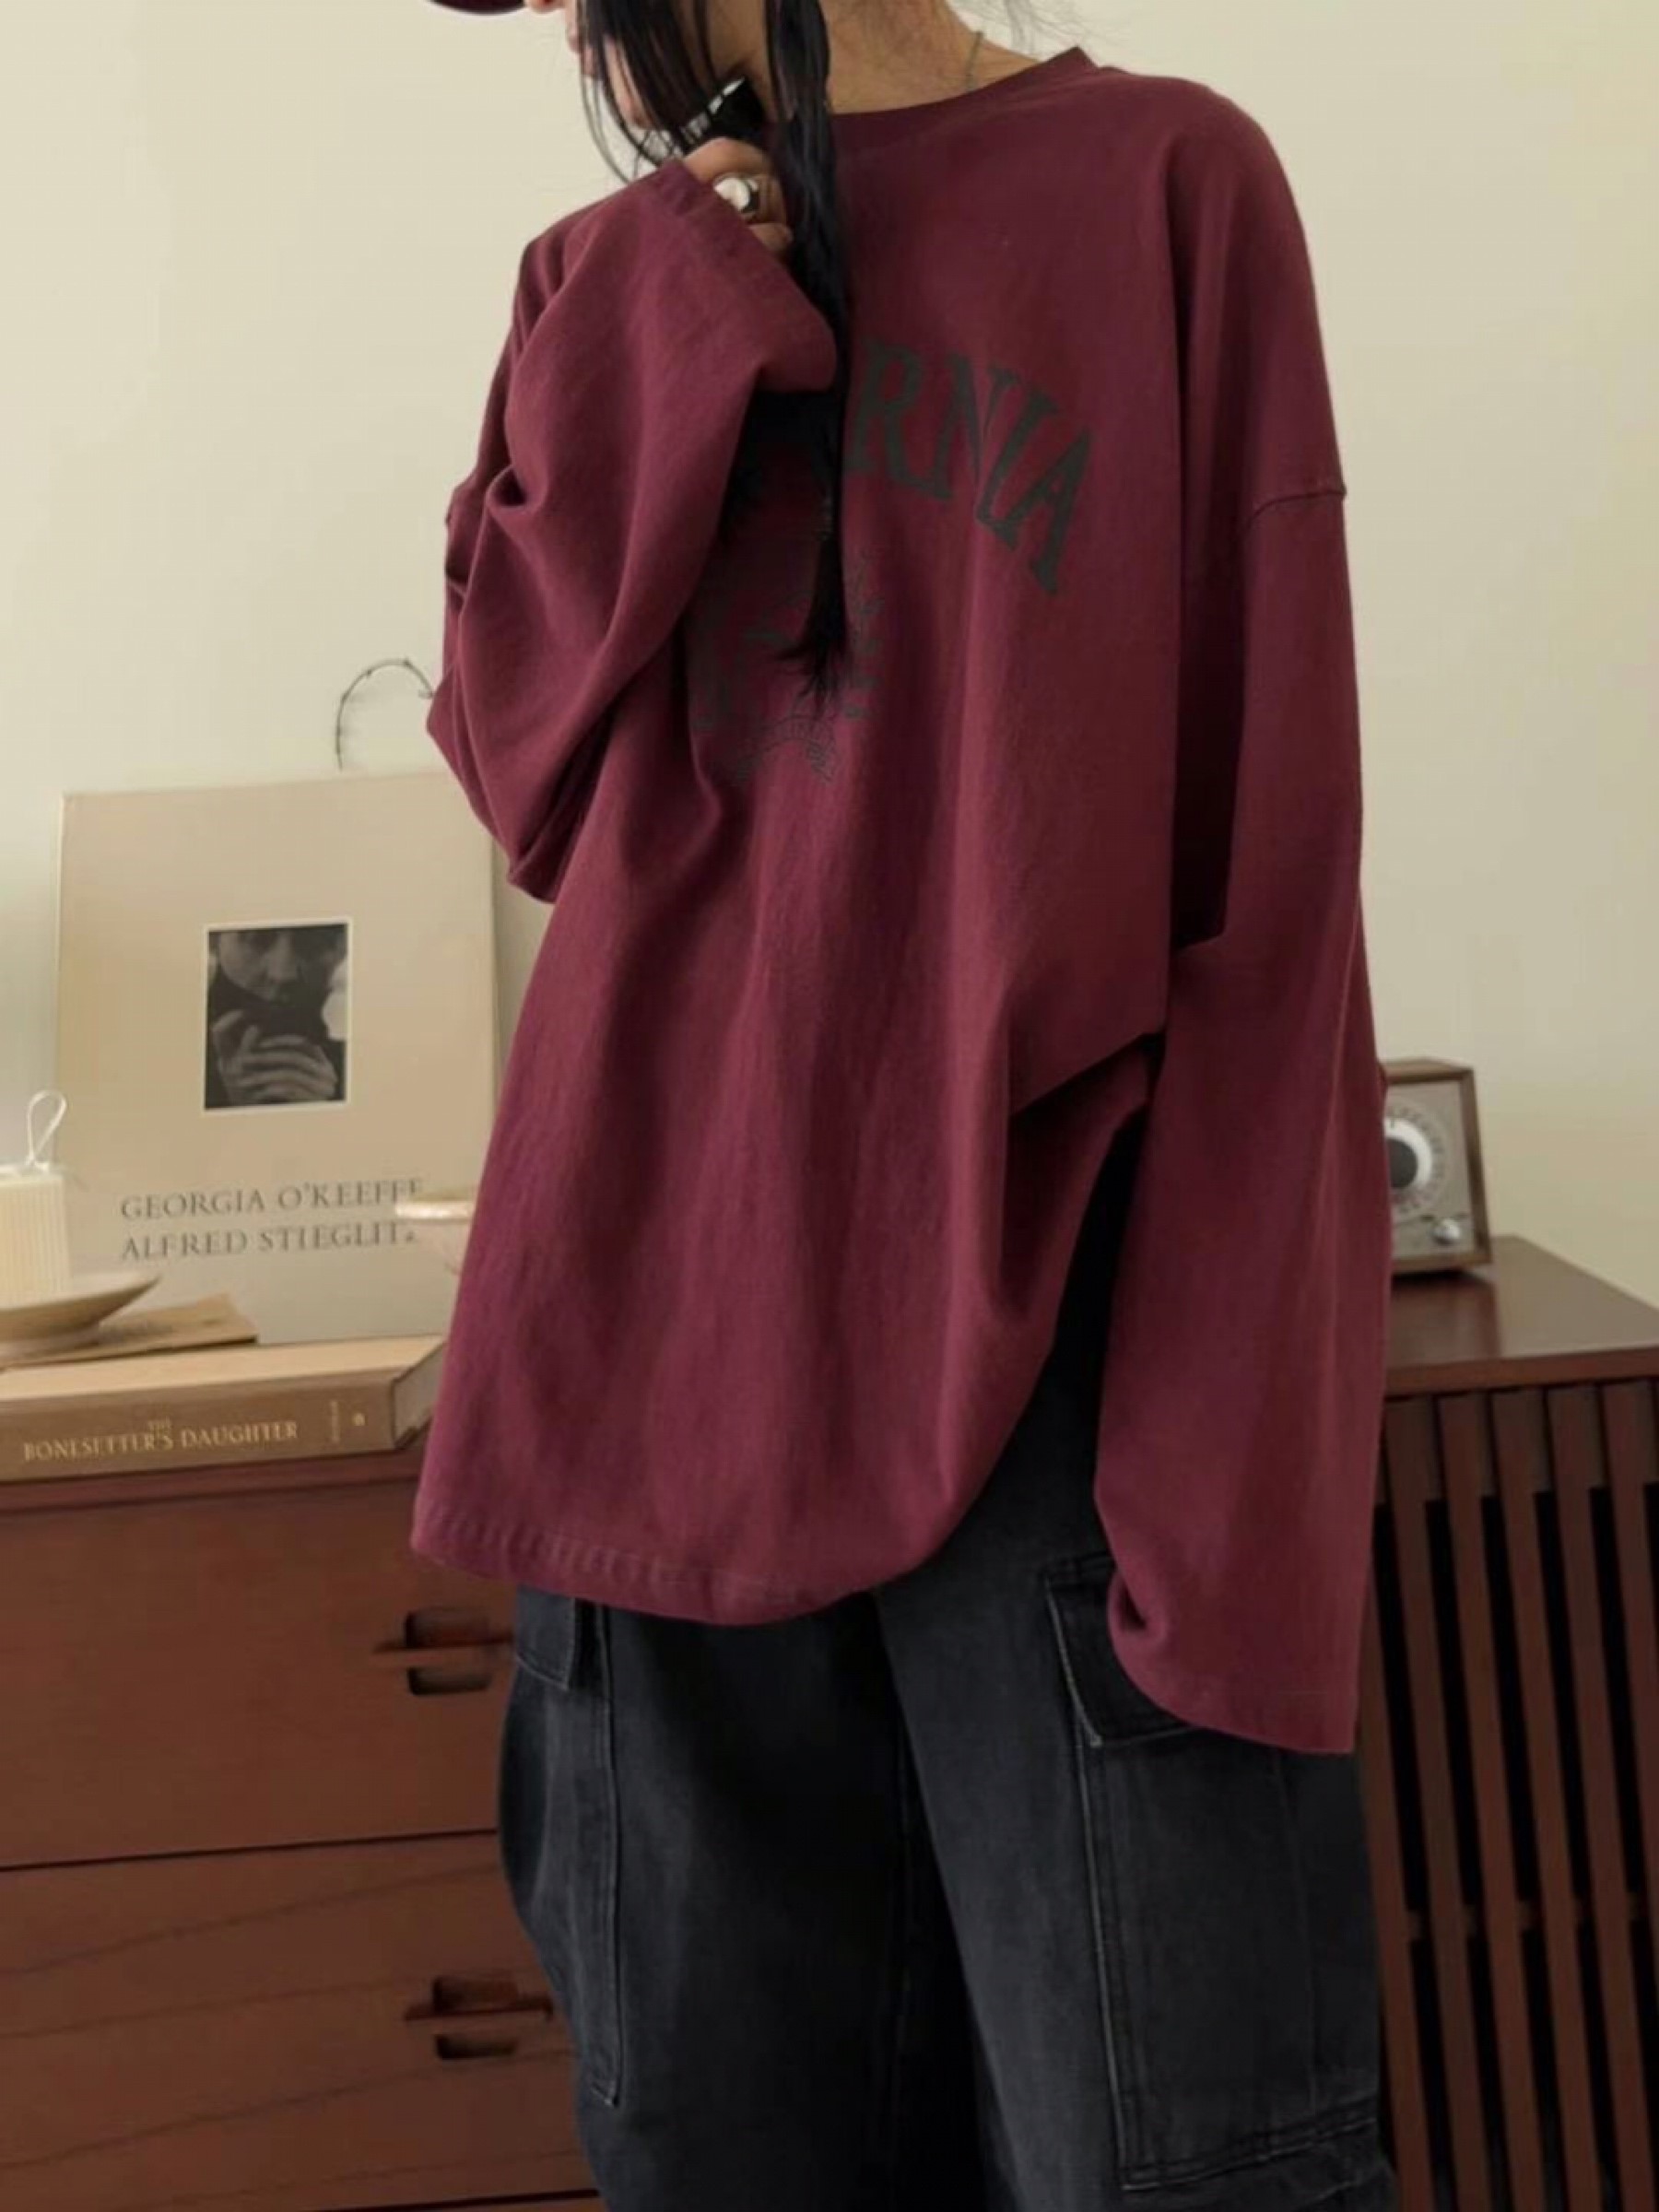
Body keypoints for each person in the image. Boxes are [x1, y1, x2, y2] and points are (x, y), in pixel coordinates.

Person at [411, 1, 1399, 2206]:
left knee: (1176, 2166)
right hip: (648, 1358)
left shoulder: (1168, 189)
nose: (565, 19)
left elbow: (1270, 872)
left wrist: (1236, 1470)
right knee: (722, 2157)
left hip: (1058, 1379)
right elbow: (517, 766)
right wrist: (662, 319)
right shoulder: (604, 273)